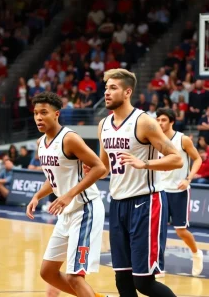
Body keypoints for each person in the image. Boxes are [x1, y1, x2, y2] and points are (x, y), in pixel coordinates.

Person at [85, 69, 183, 297]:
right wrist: (90, 170)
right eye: (106, 87)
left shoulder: (144, 122)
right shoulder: (103, 125)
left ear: (128, 92)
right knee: (122, 279)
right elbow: (104, 166)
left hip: (146, 203)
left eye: (113, 88)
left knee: (143, 282)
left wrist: (145, 164)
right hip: (118, 204)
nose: (107, 93)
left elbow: (176, 159)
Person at [26, 92, 106, 297]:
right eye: (35, 113)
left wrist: (69, 194)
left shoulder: (69, 139)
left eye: (44, 112)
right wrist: (37, 196)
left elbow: (99, 168)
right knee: (47, 272)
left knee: (74, 277)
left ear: (56, 114)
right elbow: (53, 178)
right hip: (66, 213)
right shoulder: (40, 143)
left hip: (85, 209)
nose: (38, 117)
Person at [156, 108, 203, 276]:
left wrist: (188, 178)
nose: (160, 123)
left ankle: (196, 253)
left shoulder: (182, 139)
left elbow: (198, 158)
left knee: (180, 230)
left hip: (178, 190)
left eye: (163, 120)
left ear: (171, 122)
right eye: (158, 120)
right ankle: (158, 266)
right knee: (158, 230)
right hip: (160, 190)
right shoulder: (155, 140)